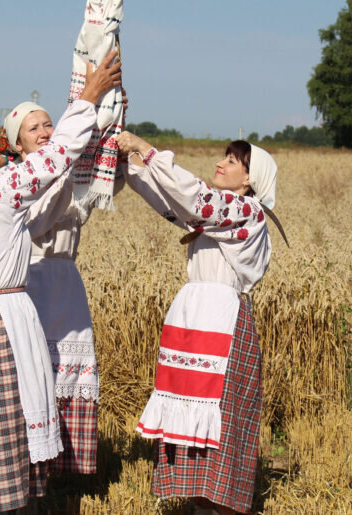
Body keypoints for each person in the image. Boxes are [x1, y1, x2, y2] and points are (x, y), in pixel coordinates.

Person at [0, 53, 120, 515]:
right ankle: (4, 501)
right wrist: (89, 98)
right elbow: (57, 154)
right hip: (2, 320)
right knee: (8, 419)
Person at [116, 131, 280, 515]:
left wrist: (144, 149)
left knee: (219, 424)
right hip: (196, 320)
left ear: (250, 180)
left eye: (232, 161)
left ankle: (222, 507)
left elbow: (194, 198)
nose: (220, 163)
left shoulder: (248, 212)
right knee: (192, 423)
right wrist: (128, 166)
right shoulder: (218, 214)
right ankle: (201, 507)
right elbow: (172, 203)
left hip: (223, 326)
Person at [0, 95, 127, 475]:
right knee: (32, 368)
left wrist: (110, 148)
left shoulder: (66, 171)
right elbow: (35, 220)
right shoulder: (16, 181)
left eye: (48, 124)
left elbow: (99, 191)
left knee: (69, 367)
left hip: (66, 283)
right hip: (30, 280)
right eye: (33, 128)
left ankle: (63, 465)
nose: (43, 132)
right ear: (16, 143)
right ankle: (25, 462)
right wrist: (68, 172)